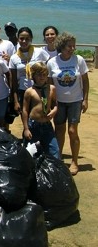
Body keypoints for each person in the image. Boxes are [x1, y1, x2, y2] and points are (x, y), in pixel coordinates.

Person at [47, 32, 89, 175]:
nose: (72, 49)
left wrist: (85, 99)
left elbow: (85, 80)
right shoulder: (52, 62)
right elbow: (50, 84)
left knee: (72, 131)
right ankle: (58, 160)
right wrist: (51, 103)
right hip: (59, 103)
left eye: (73, 46)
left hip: (75, 101)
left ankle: (74, 161)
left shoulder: (79, 60)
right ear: (61, 46)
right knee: (59, 130)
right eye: (69, 46)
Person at [21, 62, 60, 159]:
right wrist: (26, 128)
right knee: (30, 153)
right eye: (39, 74)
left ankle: (53, 172)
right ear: (33, 75)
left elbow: (55, 104)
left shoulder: (52, 89)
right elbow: (25, 110)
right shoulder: (30, 91)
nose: (42, 77)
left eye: (44, 74)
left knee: (54, 151)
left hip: (47, 126)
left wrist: (54, 110)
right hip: (33, 126)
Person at [10, 27, 49, 114]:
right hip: (23, 92)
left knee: (41, 116)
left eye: (27, 39)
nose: (24, 41)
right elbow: (14, 82)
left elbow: (48, 68)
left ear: (31, 38)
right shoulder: (14, 58)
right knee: (25, 117)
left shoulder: (39, 52)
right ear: (18, 39)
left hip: (39, 90)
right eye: (21, 38)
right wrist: (16, 101)